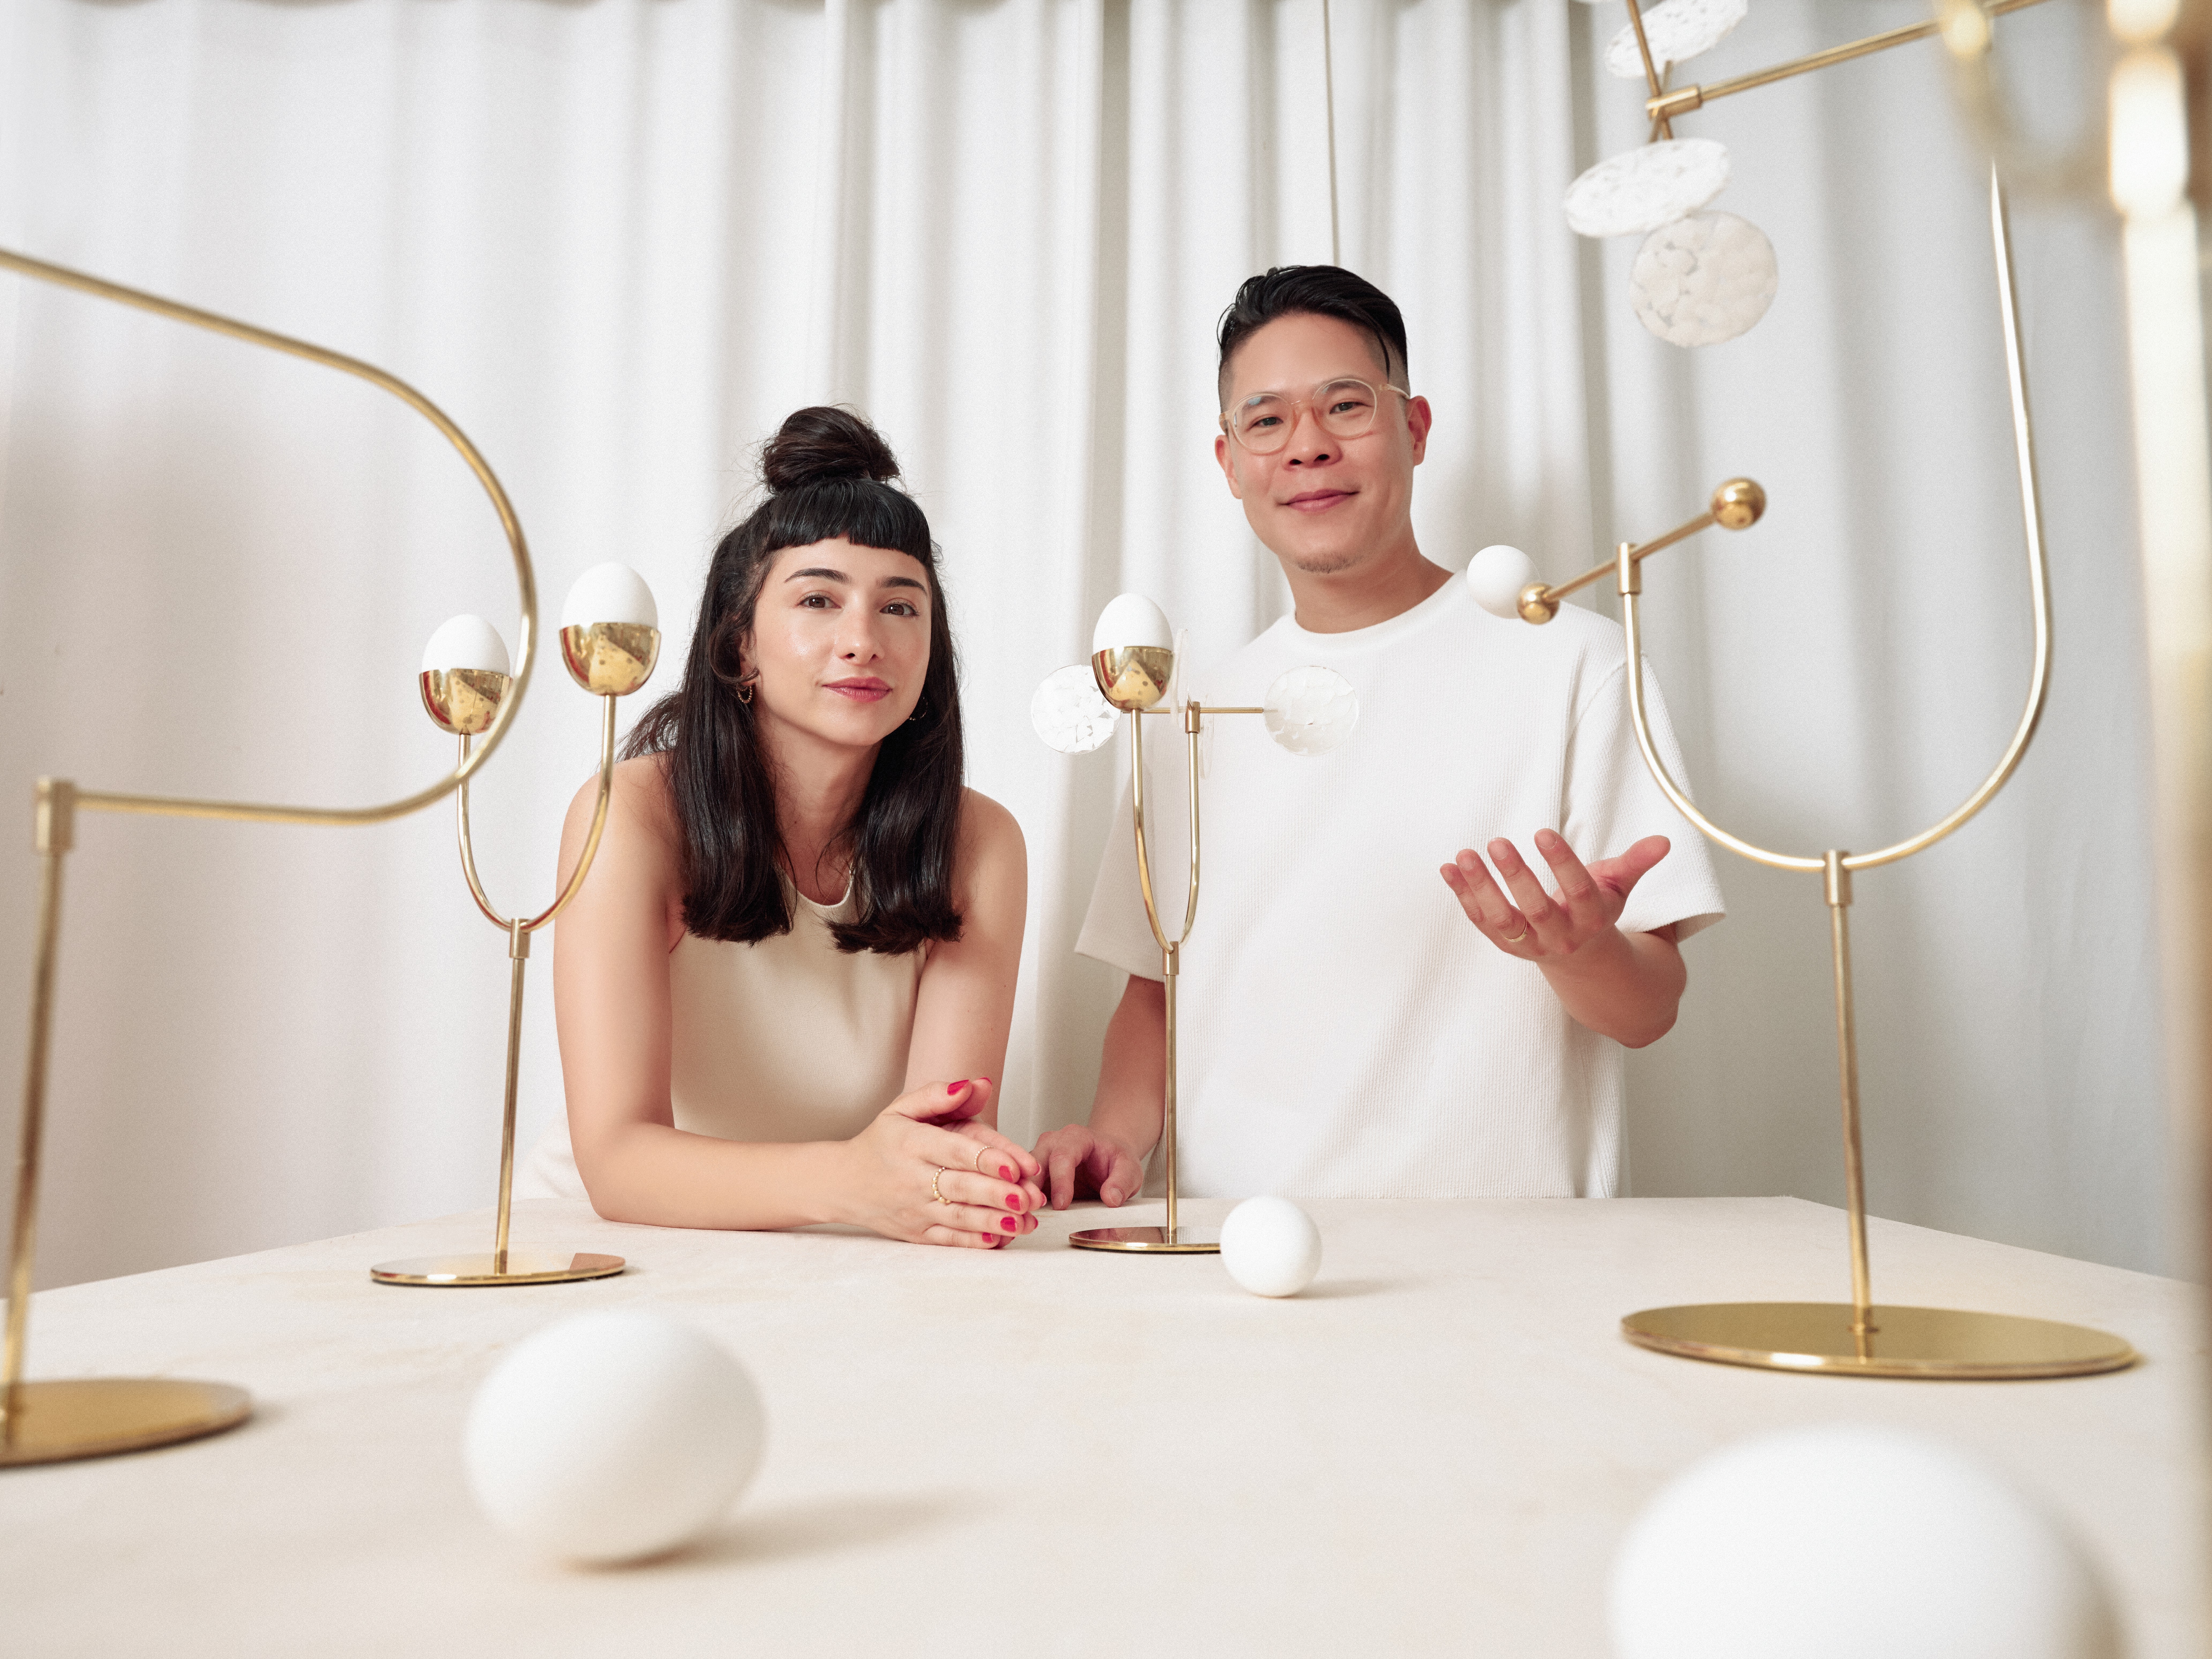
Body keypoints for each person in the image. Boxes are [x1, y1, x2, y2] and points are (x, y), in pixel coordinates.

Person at [1036, 266, 1725, 1207]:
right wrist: (1114, 1138)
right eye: (1267, 421)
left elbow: (1648, 1009)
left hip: (1506, 1268)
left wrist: (1579, 951)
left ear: (1415, 429)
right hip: (1235, 1257)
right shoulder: (1187, 715)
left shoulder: (1574, 665)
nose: (1308, 448)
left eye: (1345, 406)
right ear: (1229, 462)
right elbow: (1155, 995)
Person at [518, 406, 1044, 1248]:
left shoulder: (981, 844)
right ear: (740, 647)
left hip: (843, 1246)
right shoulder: (633, 815)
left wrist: (950, 1185)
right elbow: (617, 1161)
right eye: (817, 600)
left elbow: (936, 1153)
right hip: (616, 1245)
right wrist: (853, 1180)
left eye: (900, 608)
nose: (862, 640)